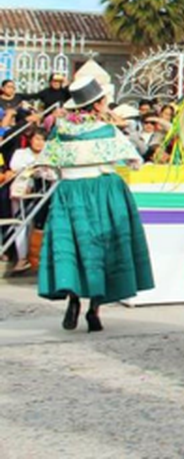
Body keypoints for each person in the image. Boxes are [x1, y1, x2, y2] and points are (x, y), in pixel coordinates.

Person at [37, 78, 154, 331]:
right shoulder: (106, 129)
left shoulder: (61, 129)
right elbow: (135, 161)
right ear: (99, 104)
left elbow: (46, 168)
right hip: (102, 190)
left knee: (75, 247)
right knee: (103, 249)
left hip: (70, 191)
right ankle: (94, 310)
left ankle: (74, 300)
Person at [6, 128, 55, 273]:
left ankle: (38, 258)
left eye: (43, 140)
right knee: (19, 223)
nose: (40, 143)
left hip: (43, 193)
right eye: (37, 139)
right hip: (22, 191)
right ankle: (22, 258)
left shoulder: (49, 155)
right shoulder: (21, 154)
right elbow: (15, 167)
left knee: (39, 225)